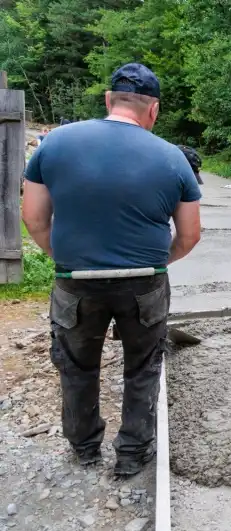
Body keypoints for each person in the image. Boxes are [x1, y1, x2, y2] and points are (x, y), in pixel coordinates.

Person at [21, 63, 202, 474]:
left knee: (76, 366)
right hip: (144, 285)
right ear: (153, 110)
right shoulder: (173, 158)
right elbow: (189, 235)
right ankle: (131, 455)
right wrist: (157, 264)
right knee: (142, 366)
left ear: (108, 100)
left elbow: (33, 217)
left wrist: (64, 258)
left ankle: (84, 449)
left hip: (75, 283)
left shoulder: (54, 144)